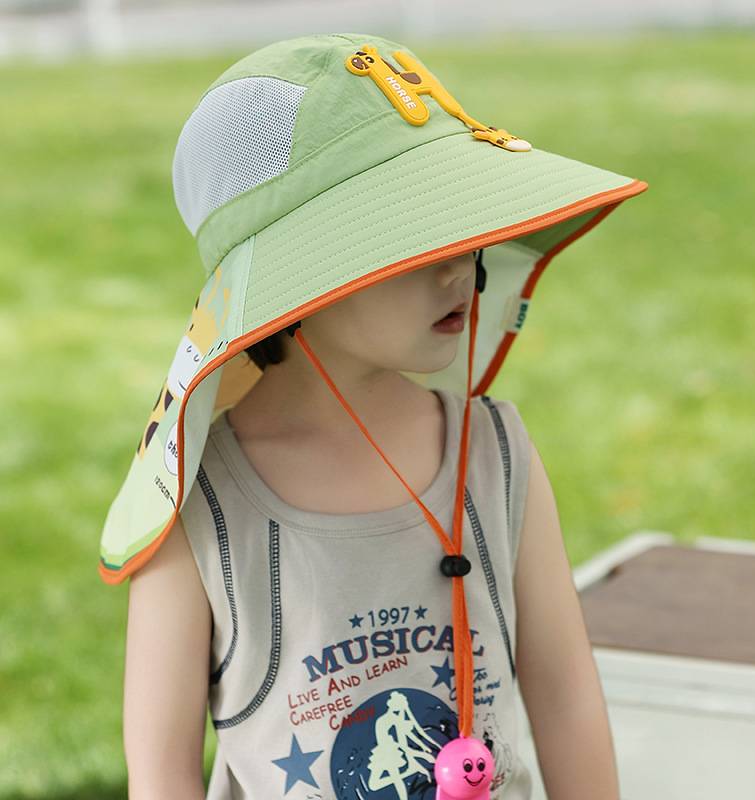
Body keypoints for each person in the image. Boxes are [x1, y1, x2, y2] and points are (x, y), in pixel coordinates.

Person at [102, 33, 647, 800]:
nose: (466, 266)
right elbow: (160, 776)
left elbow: (565, 695)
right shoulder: (199, 504)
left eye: (466, 230)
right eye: (415, 243)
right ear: (301, 279)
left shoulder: (495, 453)